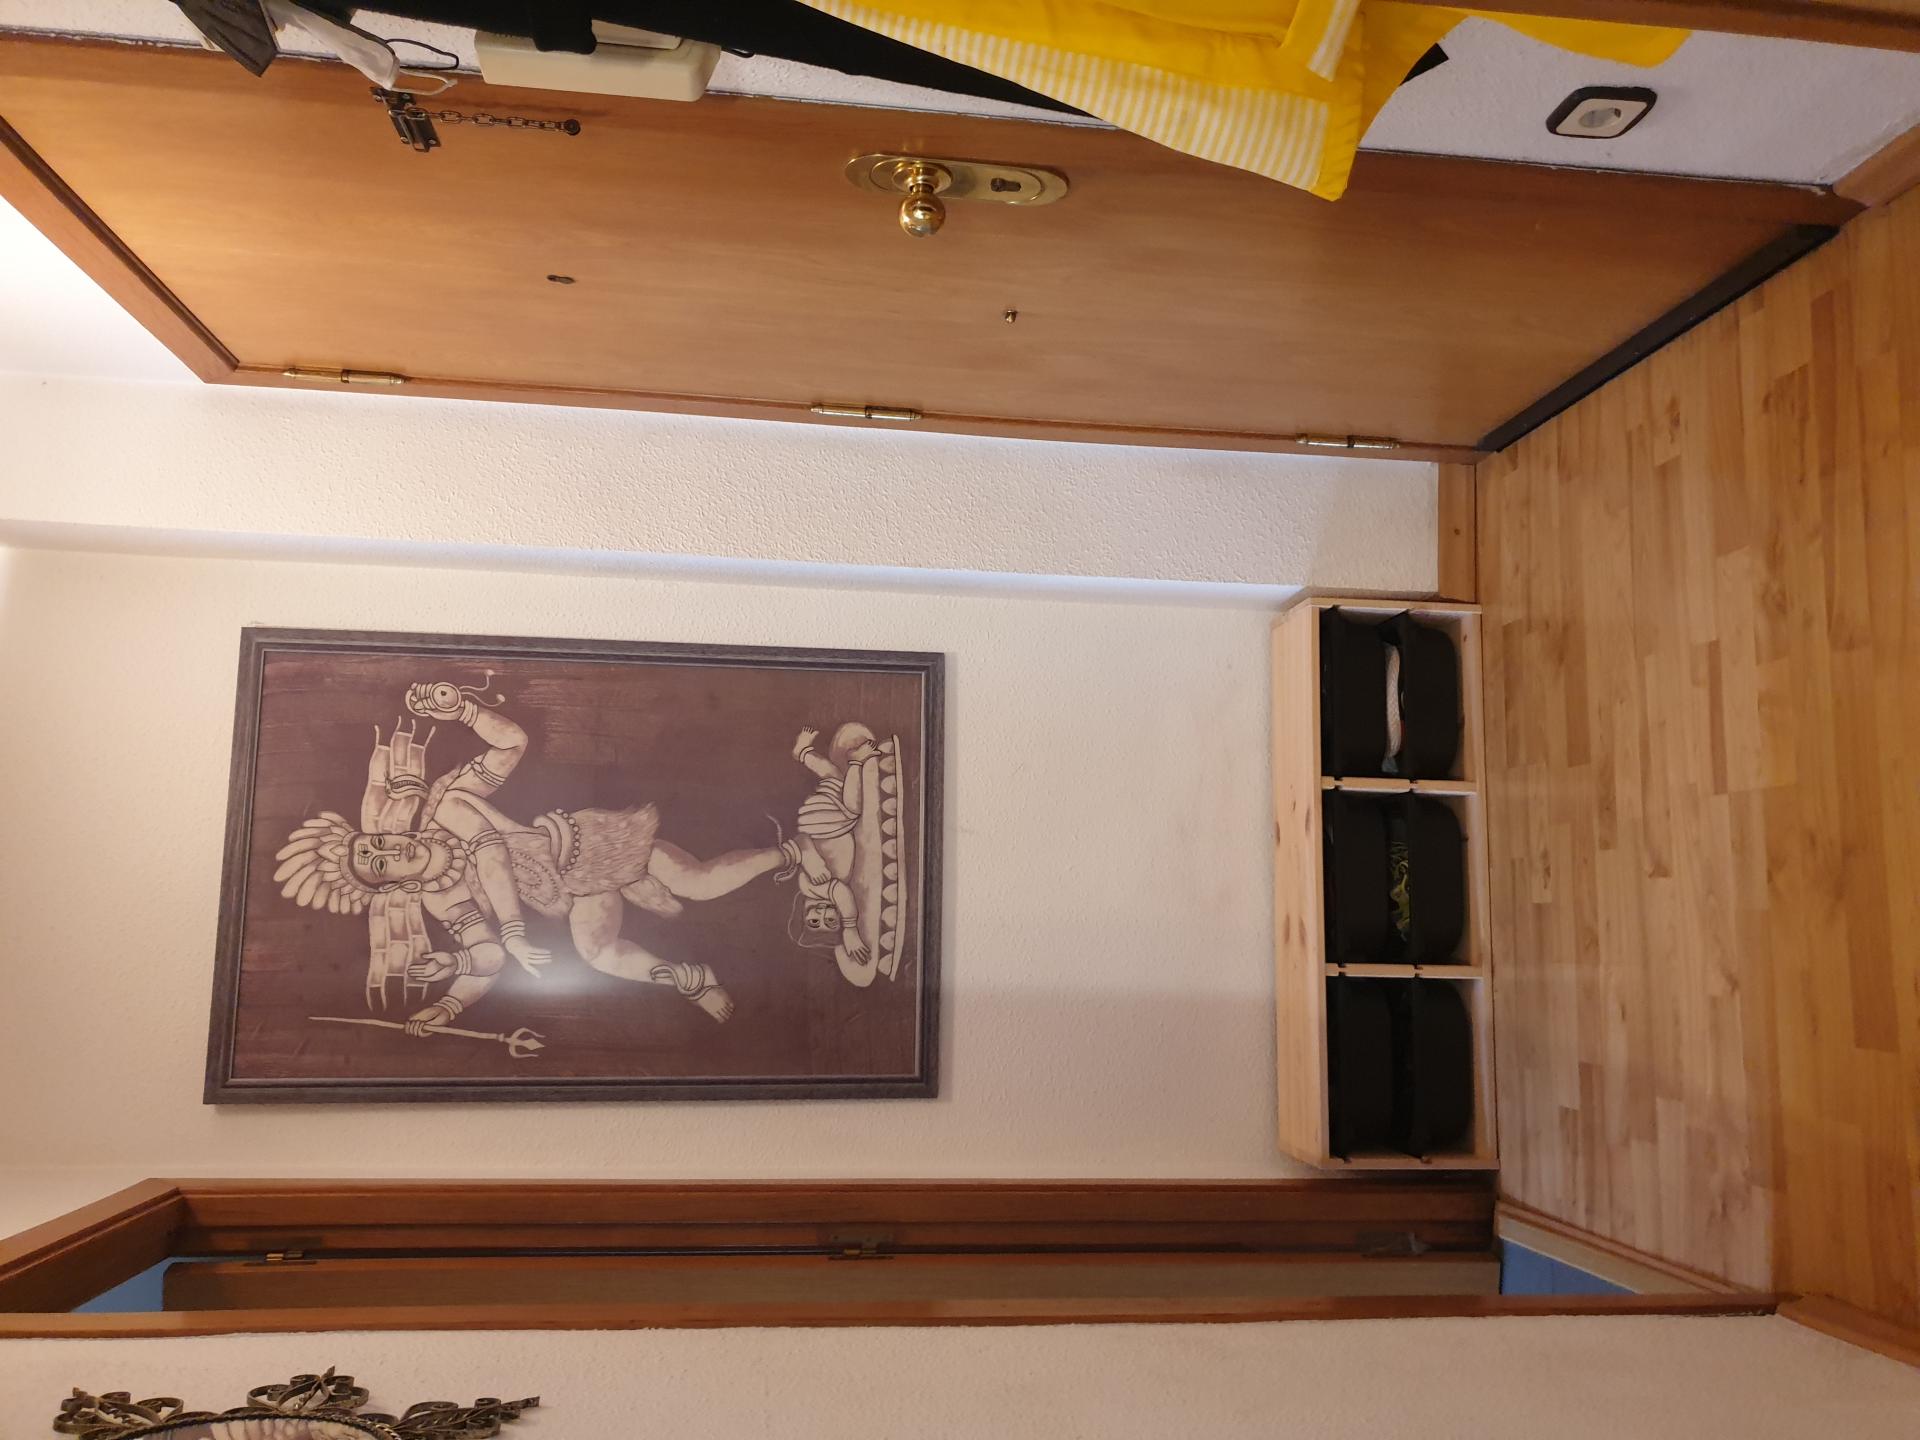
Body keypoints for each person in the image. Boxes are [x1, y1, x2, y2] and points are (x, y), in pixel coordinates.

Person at [273, 677, 788, 1033]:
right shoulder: (438, 898)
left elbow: (507, 768)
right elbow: (490, 957)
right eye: (380, 863)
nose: (390, 848)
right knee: (597, 955)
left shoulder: (445, 805)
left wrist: (464, 711)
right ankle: (693, 980)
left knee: (695, 883)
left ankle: (790, 854)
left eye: (375, 842)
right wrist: (450, 997)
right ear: (393, 885)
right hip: (571, 896)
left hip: (586, 849)